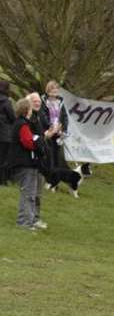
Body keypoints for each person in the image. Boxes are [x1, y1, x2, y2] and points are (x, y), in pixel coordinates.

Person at [9, 98, 47, 230]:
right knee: (29, 194)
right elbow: (28, 143)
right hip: (25, 164)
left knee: (30, 194)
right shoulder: (23, 125)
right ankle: (24, 223)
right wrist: (37, 142)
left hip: (23, 164)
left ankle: (28, 221)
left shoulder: (19, 123)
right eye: (30, 108)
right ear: (27, 111)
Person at [0, 81, 15, 185]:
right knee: (4, 158)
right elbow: (12, 117)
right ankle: (3, 180)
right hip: (5, 134)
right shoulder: (7, 102)